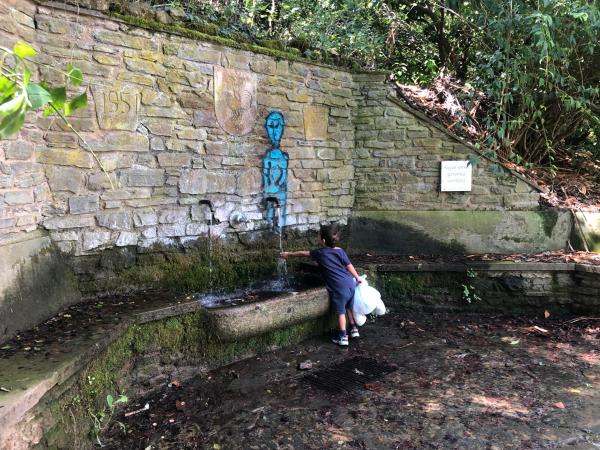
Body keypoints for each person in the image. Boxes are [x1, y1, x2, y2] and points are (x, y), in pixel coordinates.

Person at [280, 223, 362, 346]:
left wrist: (289, 254)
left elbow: (303, 253)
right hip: (350, 282)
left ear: (323, 240)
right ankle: (354, 329)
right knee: (348, 307)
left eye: (318, 236)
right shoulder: (340, 251)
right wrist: (357, 277)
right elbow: (349, 266)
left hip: (339, 287)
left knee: (340, 312)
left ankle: (343, 336)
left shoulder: (320, 253)